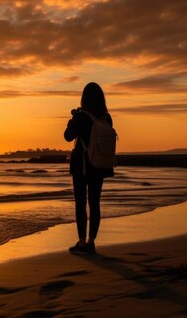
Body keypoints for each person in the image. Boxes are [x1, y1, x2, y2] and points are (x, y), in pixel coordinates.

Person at [64, 82, 114, 255]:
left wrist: (73, 118)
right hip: (99, 165)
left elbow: (67, 136)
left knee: (80, 203)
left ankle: (82, 243)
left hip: (81, 165)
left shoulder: (81, 117)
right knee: (95, 203)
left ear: (84, 99)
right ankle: (92, 242)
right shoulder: (106, 118)